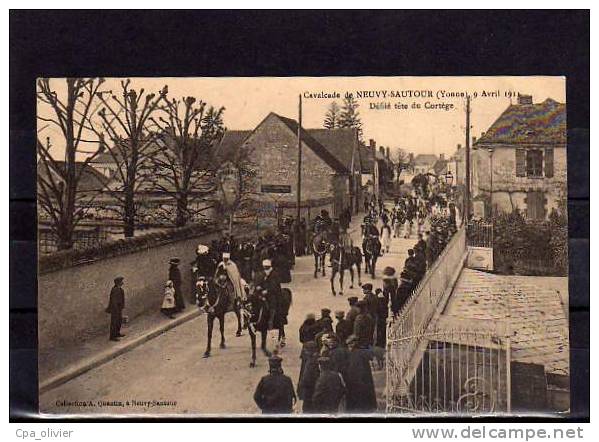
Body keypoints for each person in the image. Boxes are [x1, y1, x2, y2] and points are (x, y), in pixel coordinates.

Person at [254, 259, 286, 346]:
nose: (266, 269)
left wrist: (267, 291)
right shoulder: (261, 274)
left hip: (273, 295)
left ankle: (272, 320)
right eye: (265, 268)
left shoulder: (275, 274)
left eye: (267, 268)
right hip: (262, 295)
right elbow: (257, 282)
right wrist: (258, 287)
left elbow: (275, 286)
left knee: (273, 306)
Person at [344, 335, 378, 413]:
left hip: (358, 379)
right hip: (361, 379)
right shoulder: (361, 352)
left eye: (351, 344)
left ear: (354, 343)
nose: (349, 346)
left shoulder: (355, 353)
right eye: (349, 344)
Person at [297, 341, 320, 413]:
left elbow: (306, 378)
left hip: (310, 391)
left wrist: (301, 386)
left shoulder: (311, 362)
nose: (305, 352)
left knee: (308, 409)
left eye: (306, 351)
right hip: (314, 391)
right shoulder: (314, 359)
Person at [105, 276, 126, 341]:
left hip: (119, 308)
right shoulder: (114, 290)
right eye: (121, 281)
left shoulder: (121, 290)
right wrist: (116, 309)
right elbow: (113, 301)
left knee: (119, 321)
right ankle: (112, 336)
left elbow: (122, 299)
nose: (122, 282)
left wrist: (122, 306)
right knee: (114, 322)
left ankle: (117, 333)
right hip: (115, 309)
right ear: (118, 283)